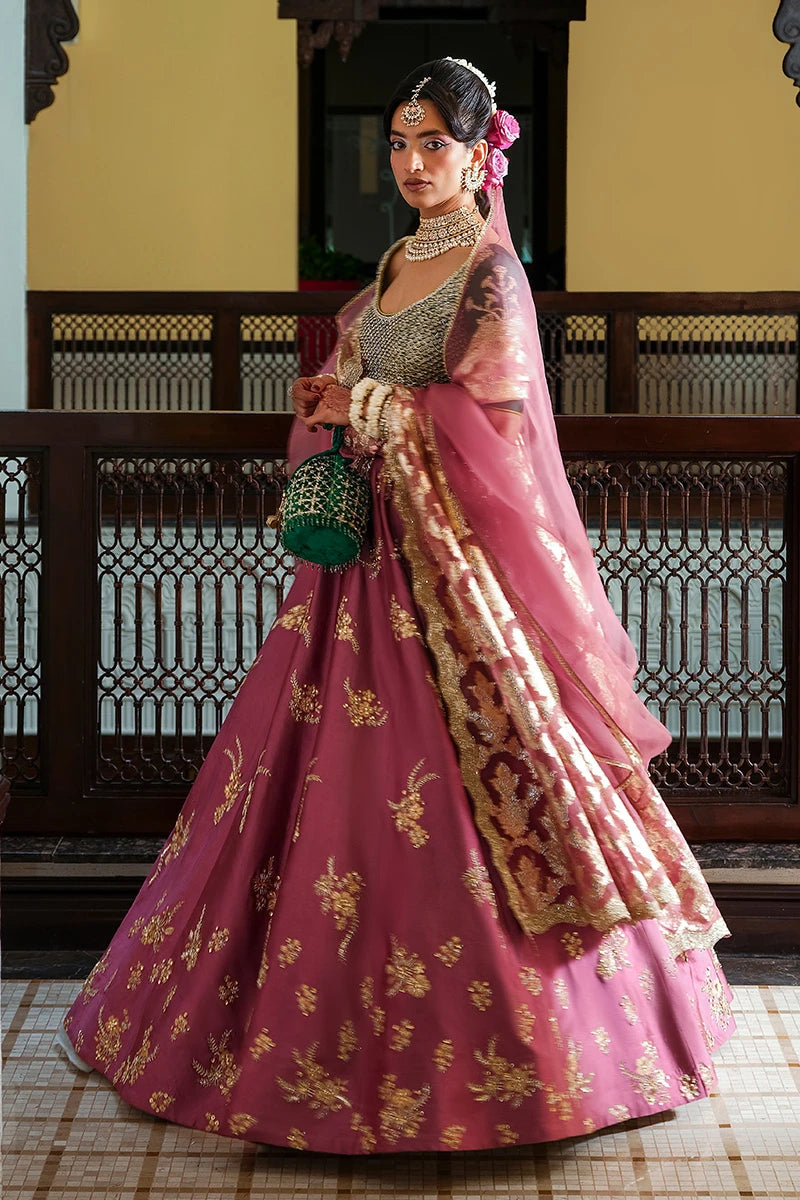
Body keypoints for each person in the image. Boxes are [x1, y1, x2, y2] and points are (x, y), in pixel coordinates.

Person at [57, 58, 734, 1154]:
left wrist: (367, 403)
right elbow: (356, 375)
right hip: (359, 565)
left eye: (434, 145)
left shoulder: (489, 274)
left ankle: (545, 1061)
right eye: (399, 145)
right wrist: (327, 400)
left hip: (446, 570)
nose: (414, 164)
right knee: (310, 778)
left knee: (467, 783)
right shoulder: (393, 264)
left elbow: (494, 423)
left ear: (479, 155)